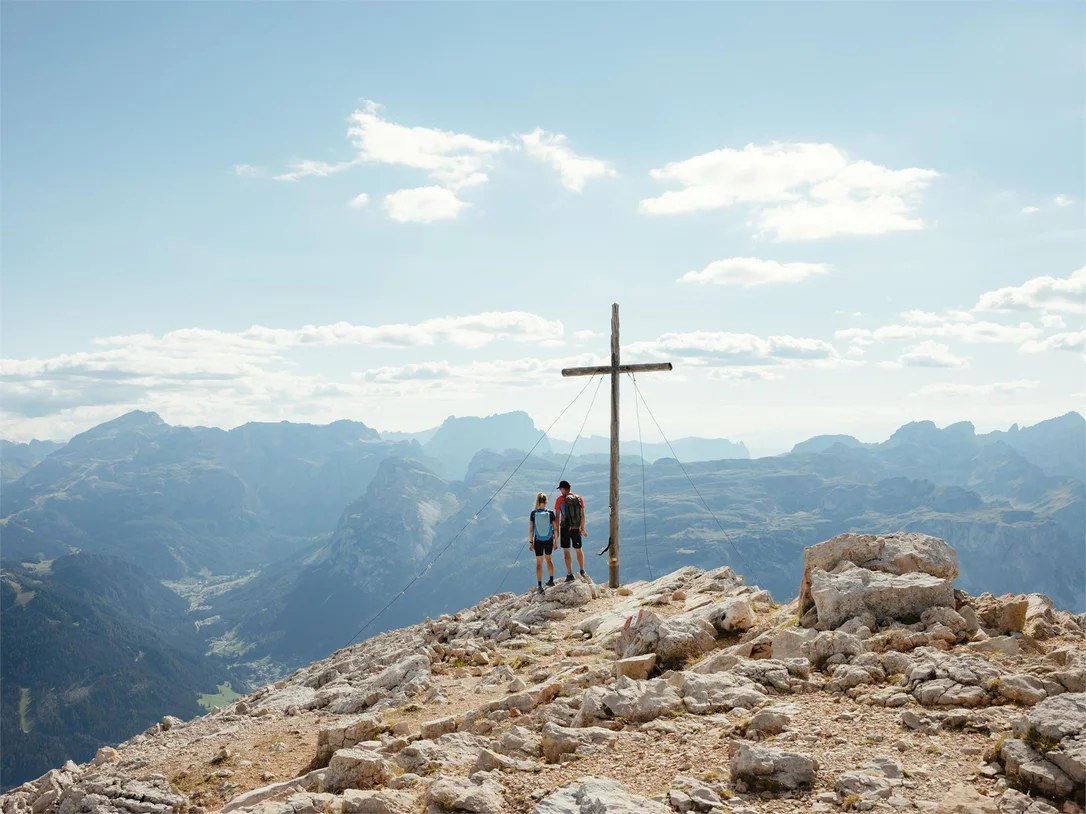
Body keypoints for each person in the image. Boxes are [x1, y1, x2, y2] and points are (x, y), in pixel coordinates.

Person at [554, 480, 587, 582]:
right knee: (578, 549)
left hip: (565, 528)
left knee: (566, 551)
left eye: (560, 489)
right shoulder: (579, 498)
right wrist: (582, 528)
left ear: (563, 489)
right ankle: (582, 571)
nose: (560, 491)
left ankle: (569, 574)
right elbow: (582, 515)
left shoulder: (559, 500)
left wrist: (556, 531)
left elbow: (557, 516)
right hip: (576, 528)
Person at [528, 491, 557, 595]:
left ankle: (540, 585)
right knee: (549, 560)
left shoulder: (533, 514)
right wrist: (556, 541)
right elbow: (555, 528)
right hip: (549, 539)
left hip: (538, 540)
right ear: (546, 501)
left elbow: (531, 529)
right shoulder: (550, 513)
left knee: (539, 563)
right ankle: (551, 580)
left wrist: (531, 542)